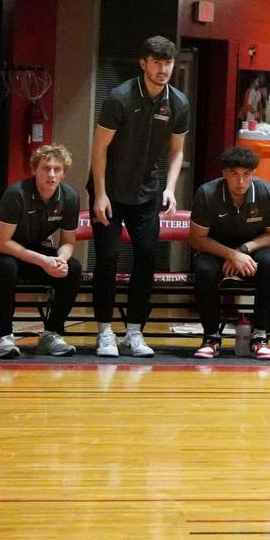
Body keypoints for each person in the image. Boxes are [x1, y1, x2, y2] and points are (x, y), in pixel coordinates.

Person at [89, 36, 190, 359]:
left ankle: (134, 331)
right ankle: (104, 330)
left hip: (147, 191)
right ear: (143, 63)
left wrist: (170, 188)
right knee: (107, 257)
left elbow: (176, 152)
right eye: (157, 62)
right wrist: (100, 193)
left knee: (147, 255)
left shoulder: (178, 103)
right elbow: (99, 148)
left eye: (168, 63)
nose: (163, 69)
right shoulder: (120, 98)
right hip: (110, 190)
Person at [0, 144, 82, 359]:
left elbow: (67, 242)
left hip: (28, 249)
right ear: (34, 170)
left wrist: (60, 261)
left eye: (57, 169)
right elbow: (2, 243)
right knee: (7, 266)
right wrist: (43, 260)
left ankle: (51, 334)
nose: (52, 174)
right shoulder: (16, 193)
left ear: (64, 173)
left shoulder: (70, 197)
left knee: (73, 268)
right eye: (46, 168)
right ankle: (5, 337)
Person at [188, 145, 270, 361]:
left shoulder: (268, 193)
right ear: (224, 174)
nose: (240, 182)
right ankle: (211, 336)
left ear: (254, 174)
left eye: (246, 175)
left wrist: (243, 250)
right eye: (234, 174)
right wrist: (230, 254)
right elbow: (197, 239)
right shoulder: (207, 193)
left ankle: (260, 336)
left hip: (254, 248)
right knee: (203, 268)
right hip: (215, 248)